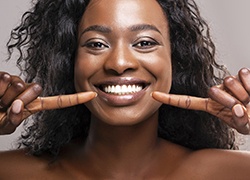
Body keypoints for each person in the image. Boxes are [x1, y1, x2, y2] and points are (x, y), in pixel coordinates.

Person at [0, 0, 250, 179]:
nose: (119, 63)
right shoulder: (9, 172)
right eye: (97, 44)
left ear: (176, 59)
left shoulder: (238, 172)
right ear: (70, 61)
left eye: (144, 43)